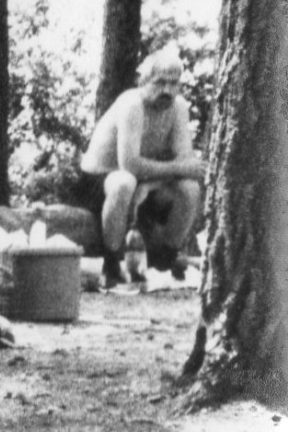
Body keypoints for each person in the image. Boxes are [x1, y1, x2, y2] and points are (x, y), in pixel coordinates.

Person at [74, 48, 204, 288]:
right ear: (144, 81)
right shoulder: (133, 104)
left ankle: (164, 260)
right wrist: (173, 170)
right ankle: (111, 263)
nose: (167, 90)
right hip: (100, 179)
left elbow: (184, 163)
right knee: (125, 181)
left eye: (174, 83)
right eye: (160, 82)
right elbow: (129, 163)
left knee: (190, 188)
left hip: (144, 180)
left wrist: (150, 184)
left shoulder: (178, 108)